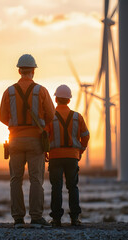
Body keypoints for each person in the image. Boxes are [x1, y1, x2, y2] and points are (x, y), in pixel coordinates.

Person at [0, 54, 55, 228]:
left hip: (15, 140)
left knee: (15, 179)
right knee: (36, 179)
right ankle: (36, 217)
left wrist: (16, 127)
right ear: (33, 71)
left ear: (19, 70)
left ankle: (17, 218)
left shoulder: (9, 91)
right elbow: (51, 116)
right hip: (35, 141)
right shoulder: (41, 91)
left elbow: (2, 117)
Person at [46, 84, 90, 227]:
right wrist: (80, 151)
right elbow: (86, 136)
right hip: (72, 157)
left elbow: (44, 137)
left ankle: (56, 220)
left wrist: (45, 152)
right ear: (69, 100)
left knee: (56, 188)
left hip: (55, 157)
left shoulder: (50, 117)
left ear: (56, 99)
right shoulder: (78, 117)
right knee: (73, 187)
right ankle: (75, 219)